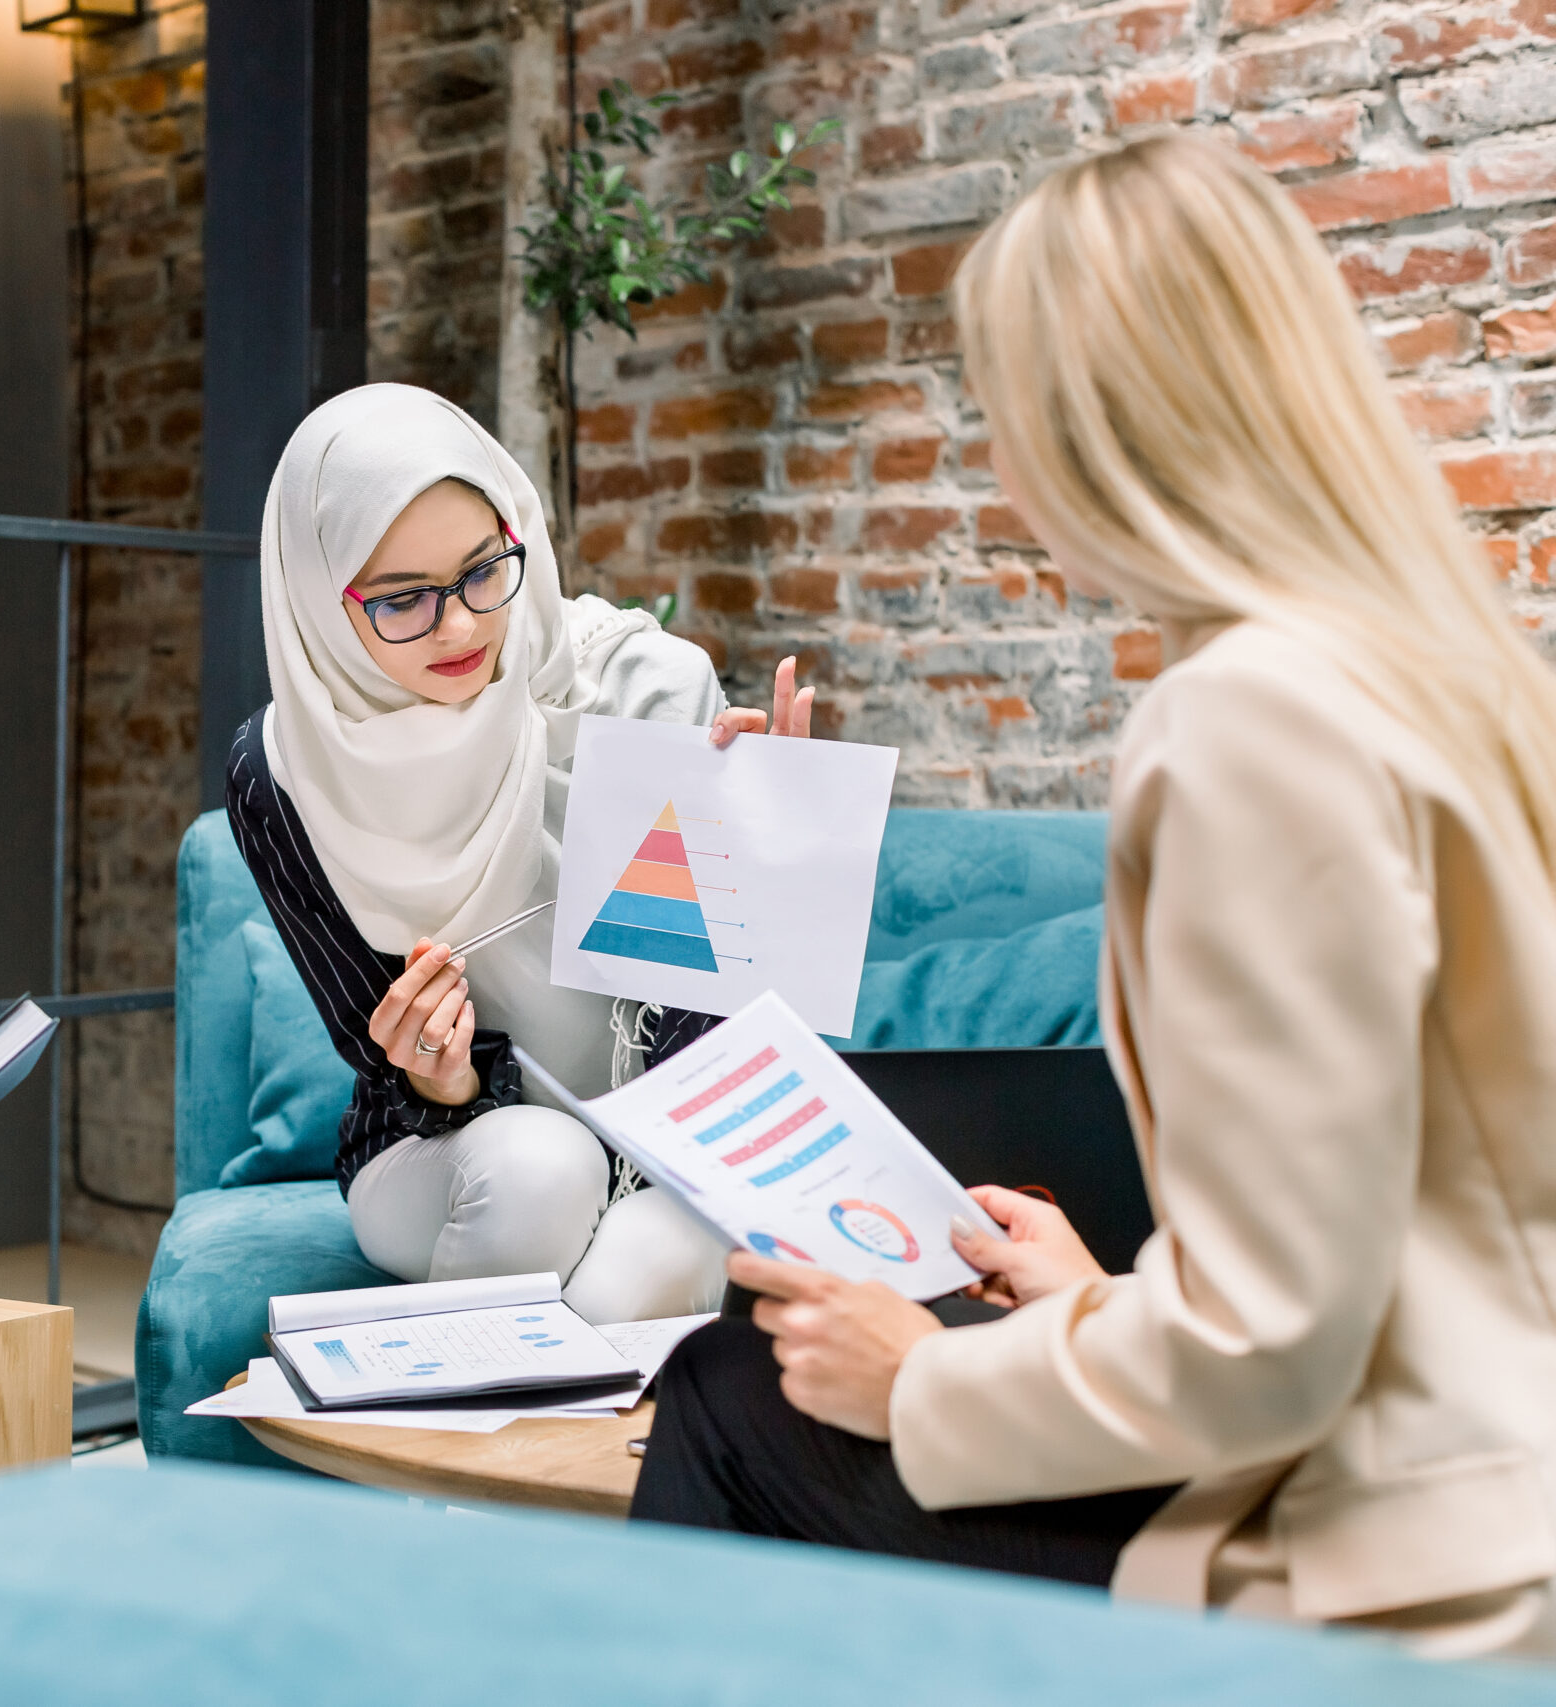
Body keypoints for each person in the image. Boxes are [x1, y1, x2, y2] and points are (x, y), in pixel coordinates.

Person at [632, 134, 1556, 1660]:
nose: (1000, 469)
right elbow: (1400, 1226)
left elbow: (1275, 1345)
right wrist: (1106, 1293)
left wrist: (917, 1381)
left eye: (1004, 413)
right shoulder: (1465, 685)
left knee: (735, 1390)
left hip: (1405, 1564)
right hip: (1505, 1480)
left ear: (1092, 426)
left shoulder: (1250, 716)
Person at [228, 383, 813, 1324]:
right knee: (543, 1165)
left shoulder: (645, 688)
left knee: (658, 1252)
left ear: (518, 535)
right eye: (402, 601)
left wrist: (766, 854)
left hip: (672, 1145)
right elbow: (380, 1055)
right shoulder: (282, 772)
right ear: (318, 605)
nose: (460, 626)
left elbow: (722, 1045)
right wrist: (441, 1074)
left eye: (480, 571)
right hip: (444, 1144)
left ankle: (460, 1443)